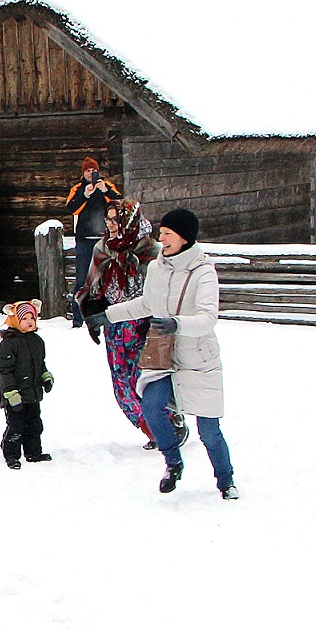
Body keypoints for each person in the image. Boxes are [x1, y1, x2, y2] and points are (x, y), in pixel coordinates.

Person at [89, 208, 239, 499]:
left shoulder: (203, 272)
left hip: (198, 360)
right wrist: (109, 315)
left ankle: (226, 480)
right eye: (162, 233)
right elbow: (147, 304)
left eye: (168, 234)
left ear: (184, 238)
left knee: (208, 430)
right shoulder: (158, 267)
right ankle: (173, 462)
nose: (162, 238)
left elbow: (209, 318)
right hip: (164, 357)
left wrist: (177, 323)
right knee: (151, 406)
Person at [77, 200, 182, 449]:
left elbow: (165, 291)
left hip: (144, 325)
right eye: (108, 220)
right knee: (121, 385)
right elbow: (93, 284)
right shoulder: (103, 248)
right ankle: (153, 430)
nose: (110, 225)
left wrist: (158, 319)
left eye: (115, 220)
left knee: (145, 380)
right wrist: (92, 309)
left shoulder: (152, 252)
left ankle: (168, 424)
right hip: (114, 323)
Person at [64, 156, 122, 325]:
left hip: (105, 240)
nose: (91, 173)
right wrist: (85, 195)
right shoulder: (78, 188)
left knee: (106, 278)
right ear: (83, 173)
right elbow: (72, 208)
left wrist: (106, 192)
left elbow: (120, 204)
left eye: (93, 170)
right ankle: (78, 319)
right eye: (88, 171)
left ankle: (103, 315)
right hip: (85, 240)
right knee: (82, 279)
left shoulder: (107, 186)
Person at [0, 300, 54, 468]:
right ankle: (11, 454)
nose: (29, 322)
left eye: (32, 318)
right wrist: (10, 392)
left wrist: (45, 377)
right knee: (16, 426)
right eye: (24, 318)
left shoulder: (37, 341)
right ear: (15, 320)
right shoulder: (9, 343)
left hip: (33, 393)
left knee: (34, 424)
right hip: (15, 395)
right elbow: (5, 370)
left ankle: (33, 452)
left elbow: (40, 363)